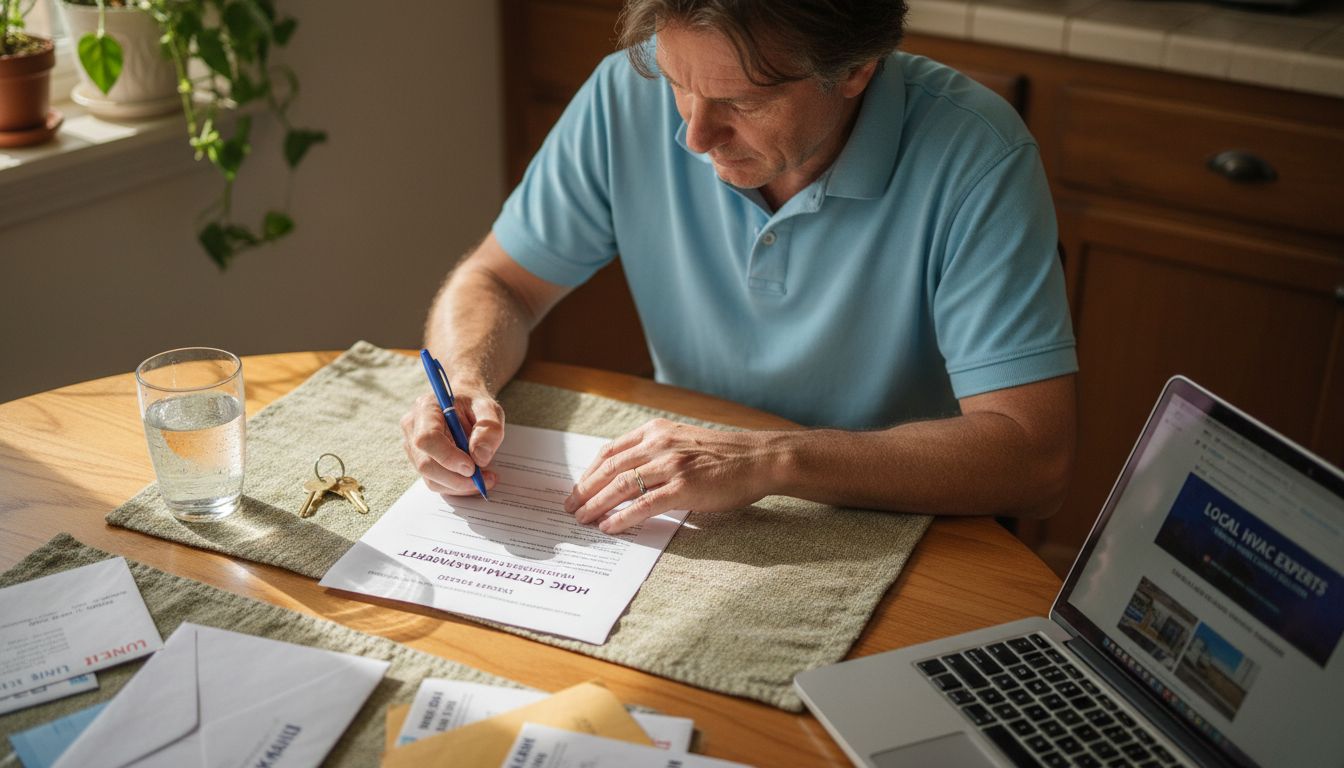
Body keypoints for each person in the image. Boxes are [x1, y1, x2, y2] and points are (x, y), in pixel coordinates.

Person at [401, 0, 1077, 535]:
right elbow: (499, 282)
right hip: (687, 511)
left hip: (894, 524)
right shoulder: (624, 93)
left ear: (856, 69)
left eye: (744, 102)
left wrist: (768, 458)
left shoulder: (979, 155)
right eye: (677, 84)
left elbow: (1035, 457)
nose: (695, 136)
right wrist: (463, 378)